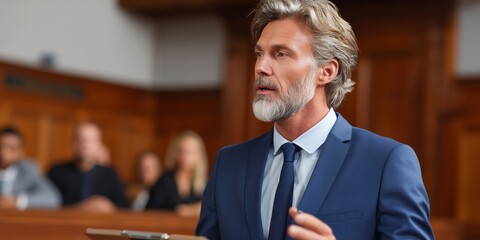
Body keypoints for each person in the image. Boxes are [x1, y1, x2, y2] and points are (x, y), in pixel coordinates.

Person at [196, 0, 434, 239]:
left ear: (327, 72)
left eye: (280, 54)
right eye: (260, 53)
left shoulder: (386, 162)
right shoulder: (229, 164)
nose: (260, 67)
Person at [48, 122, 128, 212]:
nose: (84, 144)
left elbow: (123, 206)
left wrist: (107, 206)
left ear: (99, 144)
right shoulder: (58, 172)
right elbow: (50, 205)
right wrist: (82, 207)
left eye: (90, 140)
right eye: (79, 139)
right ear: (72, 143)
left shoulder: (110, 174)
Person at [146, 130, 208, 216]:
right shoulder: (165, 181)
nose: (184, 157)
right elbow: (151, 211)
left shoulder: (206, 184)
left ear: (199, 155)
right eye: (181, 151)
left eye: (189, 152)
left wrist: (186, 210)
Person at [0, 126, 61, 210]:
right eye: (1, 147)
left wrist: (17, 201)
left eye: (12, 149)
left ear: (21, 152)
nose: (4, 153)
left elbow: (52, 198)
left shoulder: (29, 170)